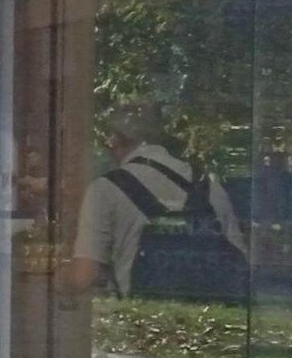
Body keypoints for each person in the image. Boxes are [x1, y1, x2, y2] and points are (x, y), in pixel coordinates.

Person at [63, 107, 246, 299]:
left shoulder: (105, 189)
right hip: (211, 312)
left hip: (142, 313)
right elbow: (239, 257)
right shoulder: (208, 186)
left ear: (115, 140)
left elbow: (83, 276)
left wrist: (58, 280)